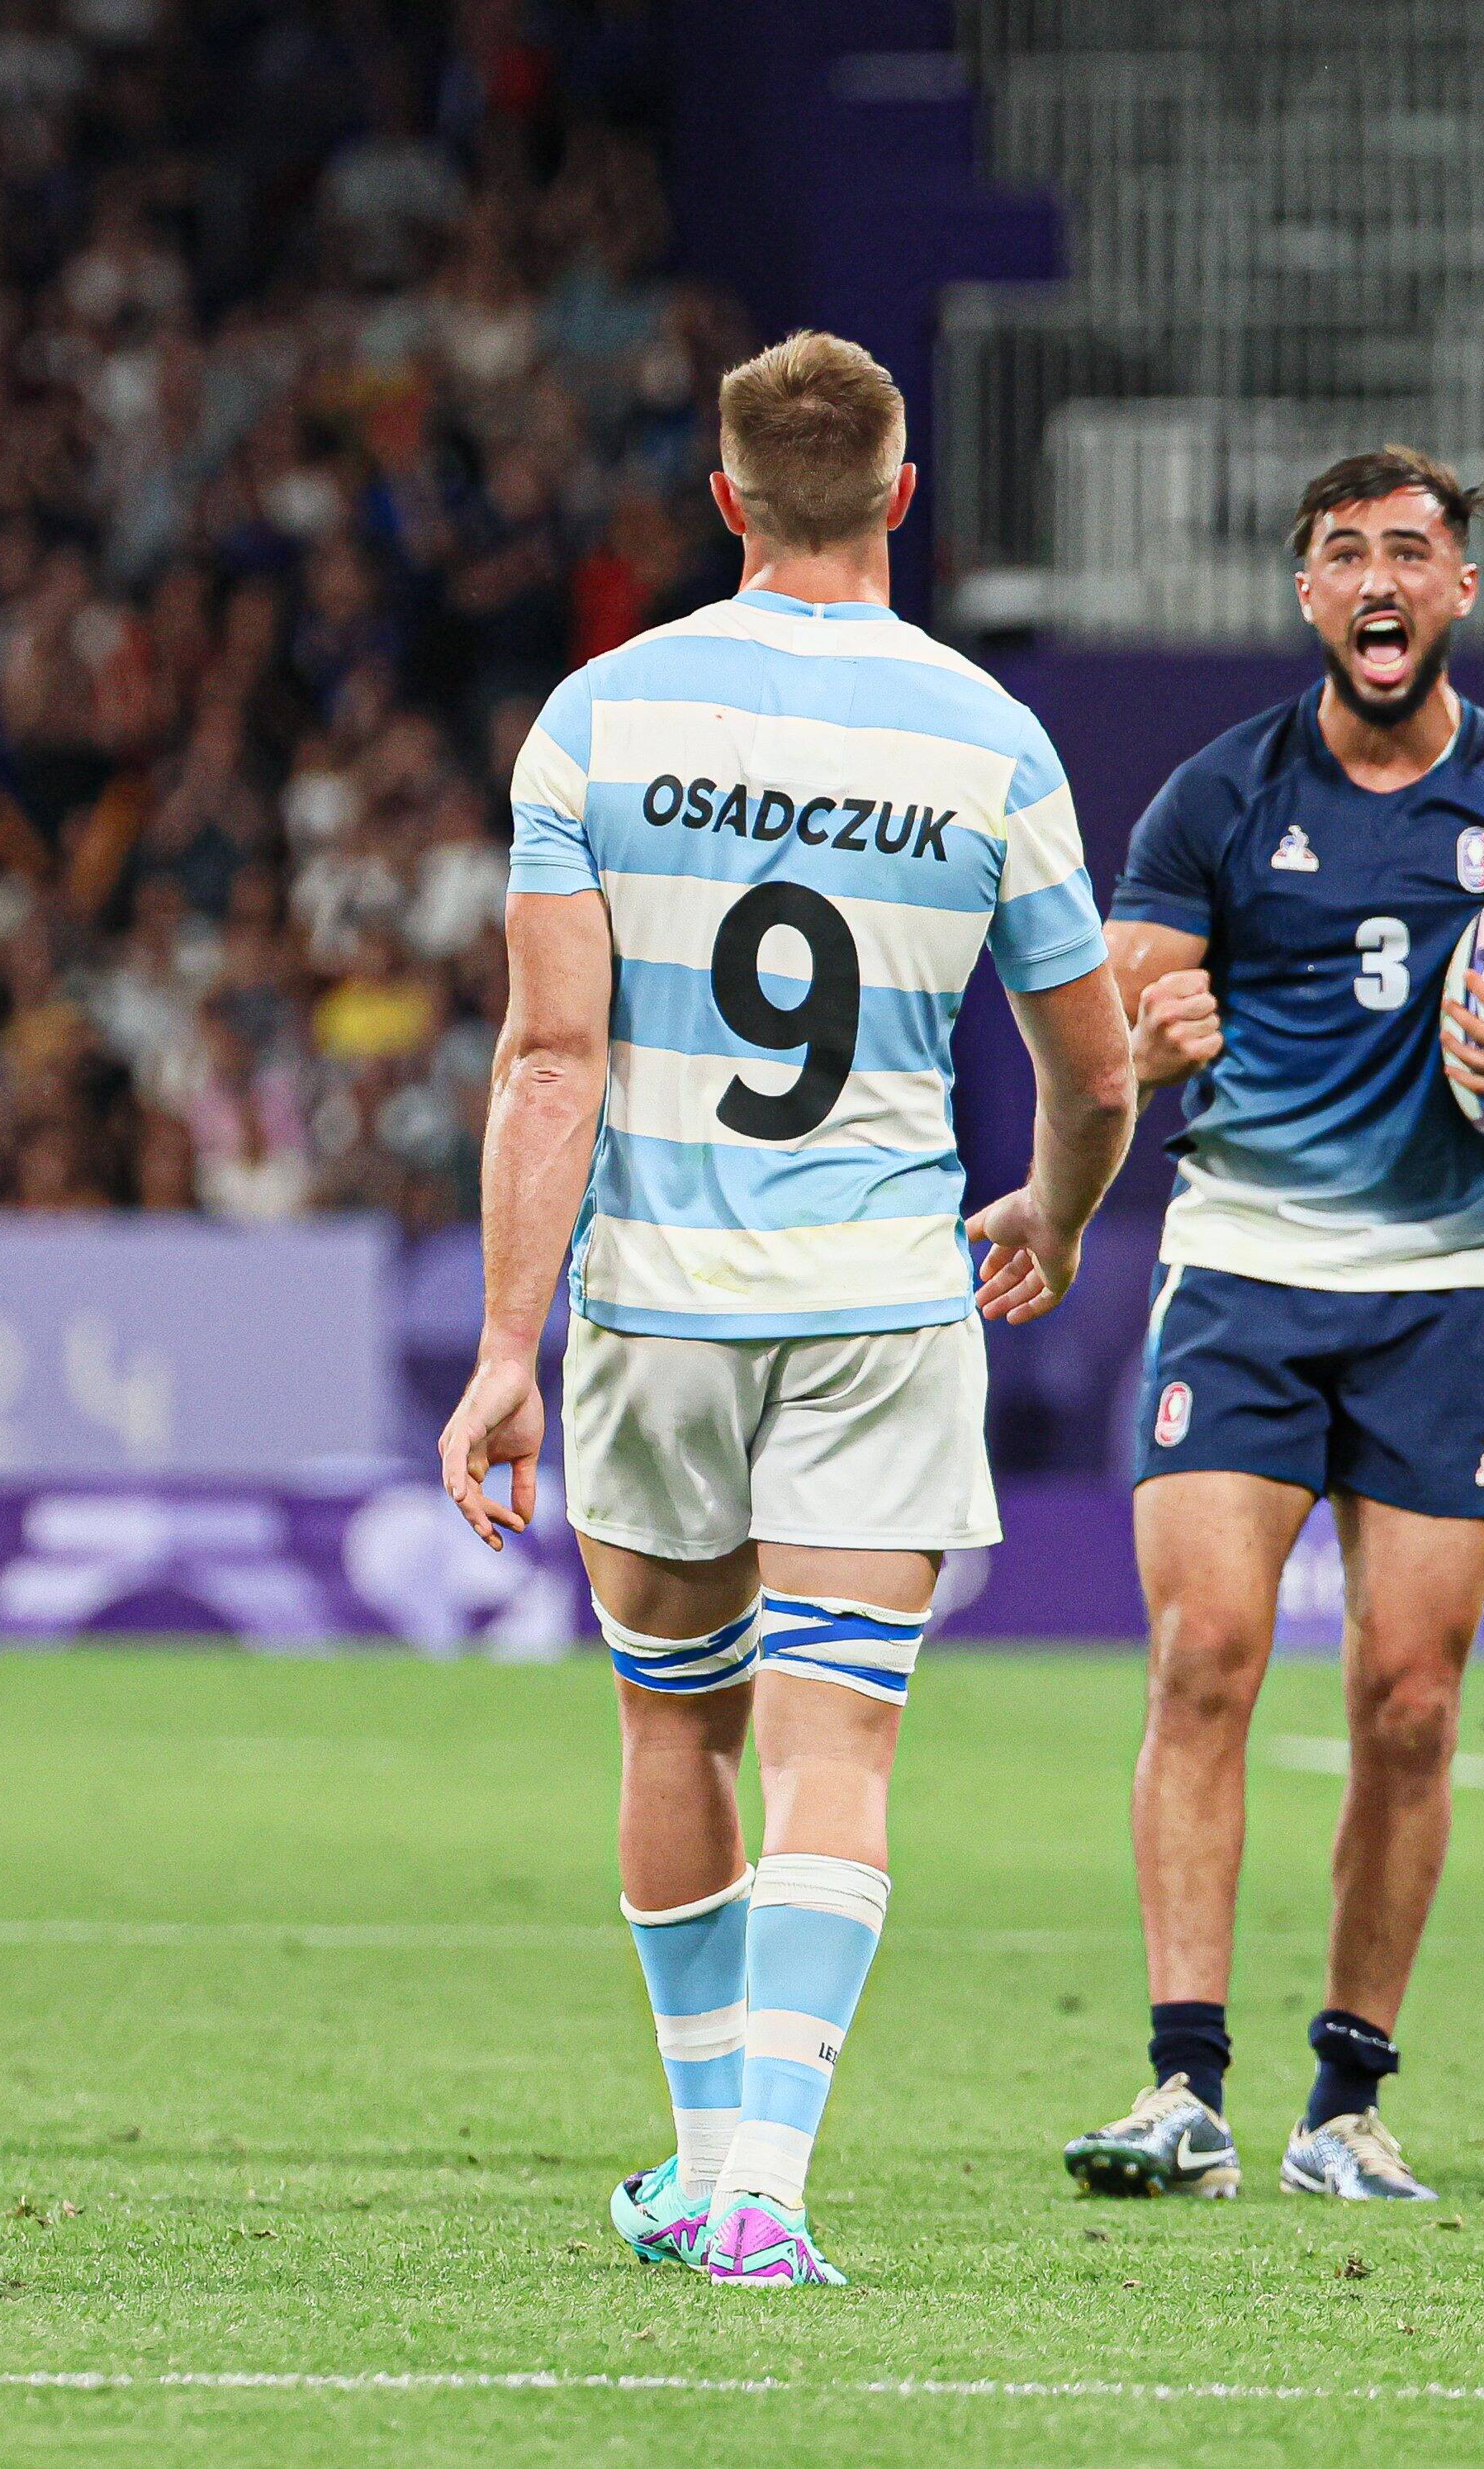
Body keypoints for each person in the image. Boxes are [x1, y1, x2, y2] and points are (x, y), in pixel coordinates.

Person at [434, 332, 1136, 2286]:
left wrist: (507, 1352)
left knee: (678, 1735)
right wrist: (1059, 1219)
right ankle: (757, 2187)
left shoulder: (594, 719)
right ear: (903, 495)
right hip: (877, 1304)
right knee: (842, 1749)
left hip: (653, 1301)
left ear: (726, 498)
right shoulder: (990, 739)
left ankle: (700, 2159)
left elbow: (549, 1058)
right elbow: (1091, 1075)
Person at [1064, 447, 1484, 2202]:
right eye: (1342, 552)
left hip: (1439, 1297)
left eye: (1407, 552)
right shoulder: (1215, 795)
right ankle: (1179, 2088)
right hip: (1247, 1276)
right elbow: (1110, 1031)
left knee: (1410, 1703)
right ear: (1304, 594)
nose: (1376, 580)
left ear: (1455, 592)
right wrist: (1149, 1046)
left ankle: (1343, 2106)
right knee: (1203, 1659)